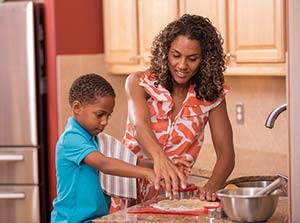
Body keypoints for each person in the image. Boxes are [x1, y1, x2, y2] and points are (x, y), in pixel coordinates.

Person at [121, 14, 235, 205]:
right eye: (176, 55)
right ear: (165, 52)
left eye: (192, 58)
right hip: (124, 189)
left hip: (170, 198)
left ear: (205, 59)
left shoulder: (211, 97)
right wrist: (161, 159)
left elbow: (226, 154)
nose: (182, 65)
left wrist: (212, 186)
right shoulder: (140, 83)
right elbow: (139, 125)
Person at [50, 73, 156, 223]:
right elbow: (104, 164)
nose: (105, 122)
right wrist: (147, 174)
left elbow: (131, 162)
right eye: (99, 115)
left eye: (108, 116)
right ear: (77, 107)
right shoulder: (71, 139)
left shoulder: (95, 139)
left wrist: (160, 167)